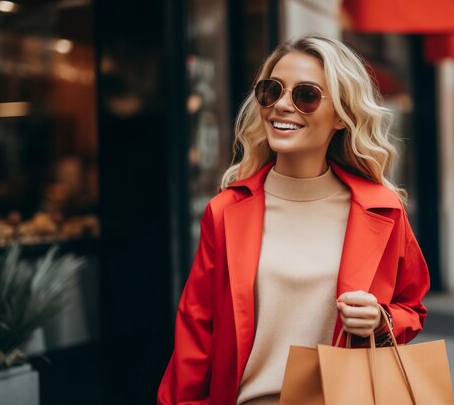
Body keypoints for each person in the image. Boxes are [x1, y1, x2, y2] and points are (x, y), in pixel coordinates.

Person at [157, 35, 430, 405]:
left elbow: (411, 308)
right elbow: (196, 333)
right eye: (271, 91)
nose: (282, 106)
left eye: (306, 95)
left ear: (340, 116)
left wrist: (382, 321)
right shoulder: (225, 212)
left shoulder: (381, 211)